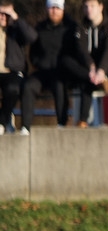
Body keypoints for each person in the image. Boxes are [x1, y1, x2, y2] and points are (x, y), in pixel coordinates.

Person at [59, 0, 108, 127]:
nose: (88, 10)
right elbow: (81, 50)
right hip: (87, 71)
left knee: (87, 83)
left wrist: (101, 71)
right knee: (66, 61)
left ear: (101, 7)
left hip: (105, 70)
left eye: (92, 6)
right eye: (86, 7)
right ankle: (79, 121)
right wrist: (91, 69)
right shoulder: (80, 27)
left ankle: (83, 120)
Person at [19, 0, 74, 133]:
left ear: (62, 9)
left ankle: (61, 123)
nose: (54, 11)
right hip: (43, 71)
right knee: (28, 86)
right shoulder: (40, 28)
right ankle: (25, 126)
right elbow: (33, 52)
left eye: (57, 8)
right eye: (51, 8)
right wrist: (38, 62)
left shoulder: (70, 28)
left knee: (59, 86)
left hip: (61, 72)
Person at [0, 0, 36, 135]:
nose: (3, 17)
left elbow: (32, 37)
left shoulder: (16, 29)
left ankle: (2, 121)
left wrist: (16, 18)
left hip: (12, 71)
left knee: (13, 89)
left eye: (6, 14)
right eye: (0, 13)